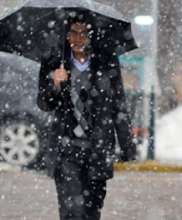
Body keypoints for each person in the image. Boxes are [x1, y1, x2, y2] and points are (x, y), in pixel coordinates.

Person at [37, 21, 137, 220]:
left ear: (92, 36)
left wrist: (127, 146)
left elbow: (119, 105)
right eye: (73, 33)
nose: (78, 39)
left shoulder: (107, 62)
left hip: (98, 148)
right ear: (66, 36)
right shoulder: (54, 62)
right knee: (72, 210)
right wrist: (55, 84)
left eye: (83, 33)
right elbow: (44, 104)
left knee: (92, 211)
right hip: (66, 149)